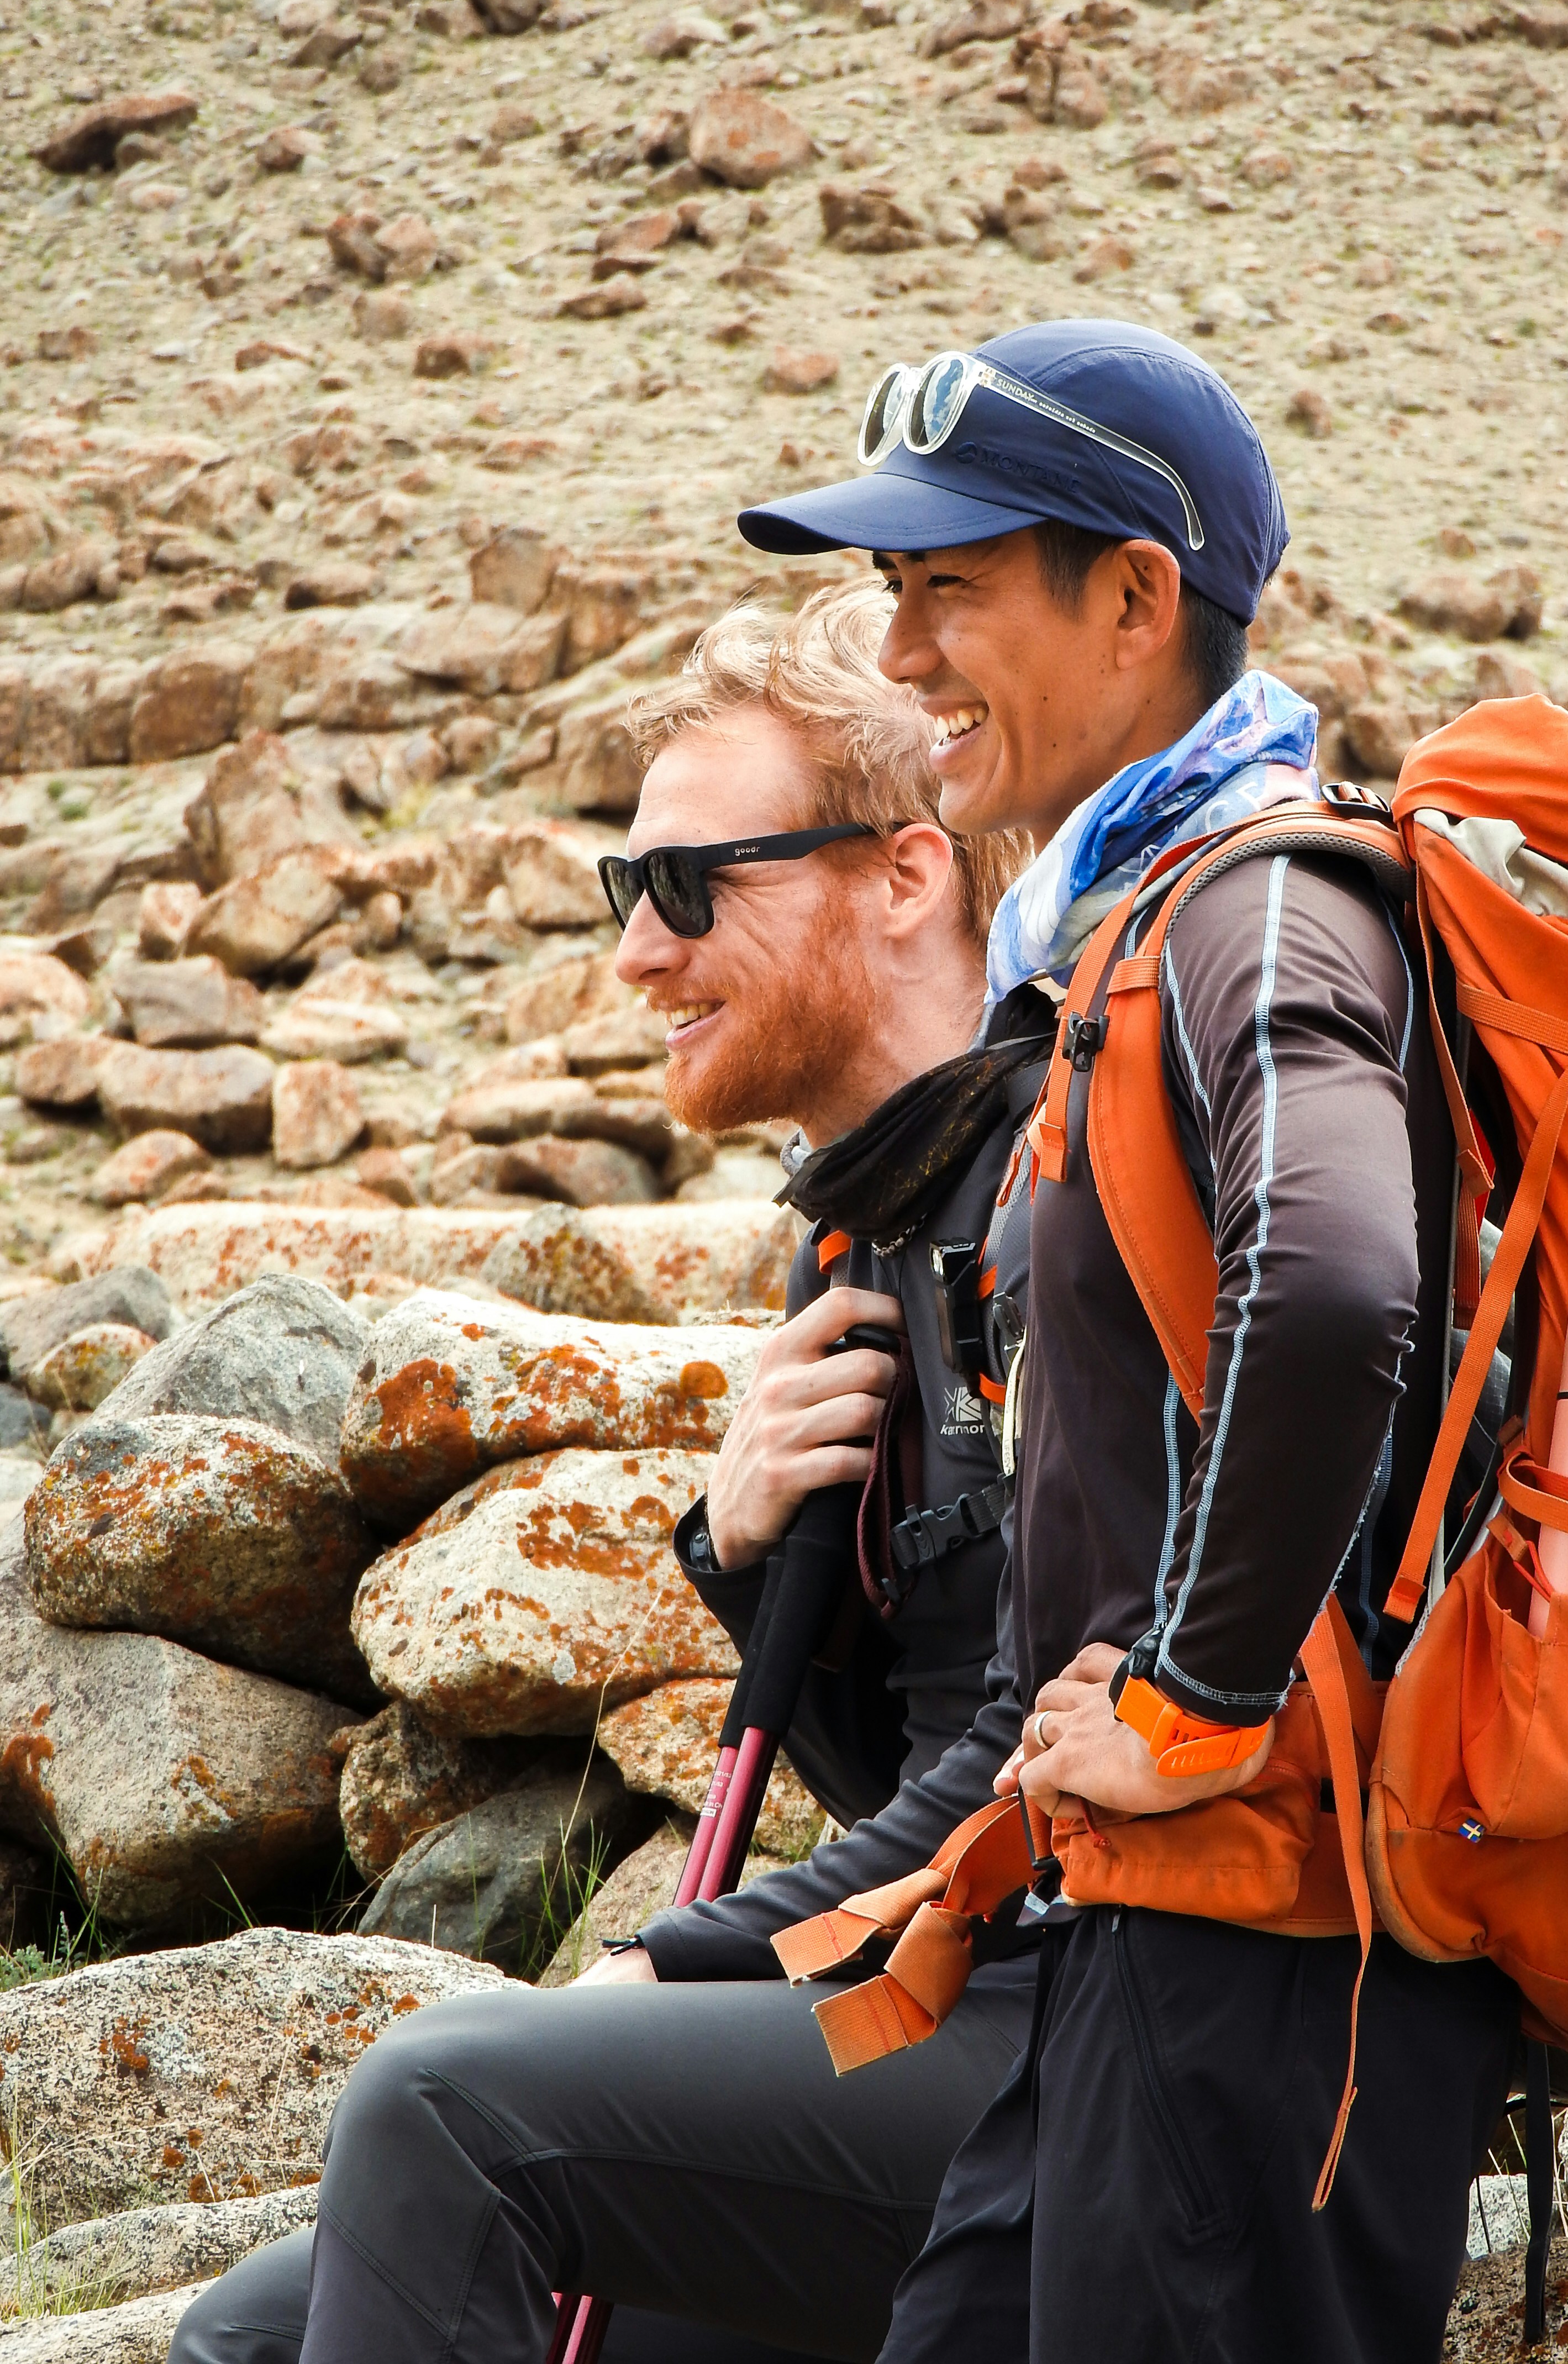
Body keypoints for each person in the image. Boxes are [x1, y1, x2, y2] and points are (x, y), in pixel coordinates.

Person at [729, 321, 1522, 2363]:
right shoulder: (1118, 934)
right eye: (896, 599)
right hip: (1144, 1934)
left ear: (1139, 600)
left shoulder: (1258, 912)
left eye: (950, 592)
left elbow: (1345, 1281)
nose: (902, 661)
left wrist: (1189, 1694)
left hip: (1262, 1957)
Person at [170, 586, 1050, 2364]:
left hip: (1080, 2052)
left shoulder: (1060, 1196)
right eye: (619, 893)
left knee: (441, 2111)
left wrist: (687, 1962)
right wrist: (750, 1552)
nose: (638, 954)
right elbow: (905, 1757)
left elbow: (1044, 1751)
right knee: (253, 2335)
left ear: (907, 875)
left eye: (687, 887)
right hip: (938, 2002)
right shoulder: (870, 1244)